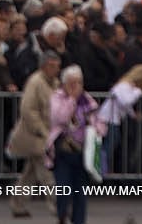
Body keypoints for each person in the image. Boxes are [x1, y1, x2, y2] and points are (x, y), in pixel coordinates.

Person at [7, 50, 61, 216]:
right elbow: (28, 109)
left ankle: (17, 204)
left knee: (30, 173)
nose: (56, 69)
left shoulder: (55, 83)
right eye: (52, 66)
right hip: (35, 134)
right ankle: (58, 206)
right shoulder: (35, 82)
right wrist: (42, 130)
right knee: (47, 173)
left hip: (46, 133)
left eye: (57, 66)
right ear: (44, 66)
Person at [47, 66, 99, 224]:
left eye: (79, 82)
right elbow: (60, 118)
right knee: (63, 190)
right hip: (63, 151)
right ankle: (62, 216)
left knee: (80, 192)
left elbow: (97, 121)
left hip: (82, 152)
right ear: (64, 84)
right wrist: (72, 100)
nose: (76, 86)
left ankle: (79, 221)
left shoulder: (87, 100)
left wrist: (97, 129)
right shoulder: (57, 98)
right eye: (72, 83)